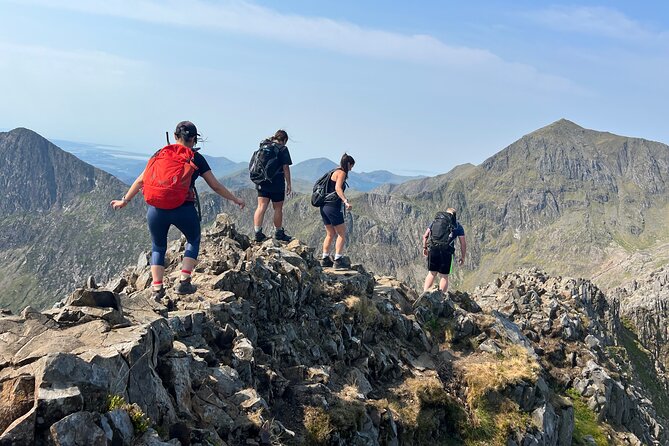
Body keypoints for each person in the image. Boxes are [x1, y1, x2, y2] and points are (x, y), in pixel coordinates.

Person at [111, 121, 245, 299]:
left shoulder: (160, 154)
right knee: (194, 239)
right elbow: (215, 186)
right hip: (183, 208)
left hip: (156, 210)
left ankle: (157, 289)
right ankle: (184, 282)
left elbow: (140, 180)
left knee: (158, 246)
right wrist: (235, 199)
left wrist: (124, 201)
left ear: (175, 136)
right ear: (195, 140)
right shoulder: (195, 158)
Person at [253, 130, 293, 242]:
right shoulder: (283, 149)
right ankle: (279, 232)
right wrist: (289, 184)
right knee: (278, 208)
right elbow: (285, 167)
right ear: (284, 140)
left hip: (262, 182)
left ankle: (257, 233)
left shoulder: (264, 145)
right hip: (277, 183)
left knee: (261, 206)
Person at [320, 153, 355, 269]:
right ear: (348, 164)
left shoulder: (333, 171)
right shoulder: (342, 173)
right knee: (341, 233)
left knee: (330, 233)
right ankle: (338, 260)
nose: (351, 168)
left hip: (324, 206)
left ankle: (325, 258)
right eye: (351, 166)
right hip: (333, 207)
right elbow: (338, 188)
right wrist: (345, 201)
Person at [422, 208, 466, 293]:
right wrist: (463, 257)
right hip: (447, 252)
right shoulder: (457, 226)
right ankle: (441, 298)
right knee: (444, 276)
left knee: (431, 273)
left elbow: (425, 236)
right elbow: (463, 243)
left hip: (433, 248)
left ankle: (424, 296)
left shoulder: (435, 222)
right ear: (454, 216)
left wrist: (425, 248)